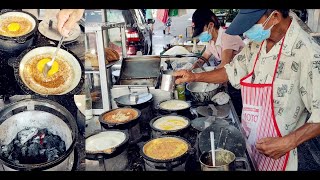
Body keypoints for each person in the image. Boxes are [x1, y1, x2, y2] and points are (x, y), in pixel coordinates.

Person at [174, 9, 320, 171]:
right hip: (249, 143)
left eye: (251, 24)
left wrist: (288, 142)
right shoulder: (256, 44)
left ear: (275, 17)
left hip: (278, 154)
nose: (247, 32)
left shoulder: (308, 53)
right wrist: (193, 77)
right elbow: (229, 71)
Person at [190, 9, 246, 117]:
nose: (201, 36)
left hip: (241, 81)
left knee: (238, 112)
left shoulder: (227, 36)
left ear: (211, 25)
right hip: (231, 79)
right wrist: (192, 68)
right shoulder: (211, 41)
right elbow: (203, 59)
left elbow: (224, 65)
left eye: (201, 31)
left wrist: (200, 77)